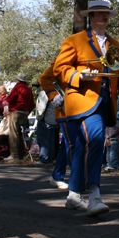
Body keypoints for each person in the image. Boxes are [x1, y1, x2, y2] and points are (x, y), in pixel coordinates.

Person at [54, 0, 119, 216]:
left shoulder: (116, 45)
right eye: (99, 13)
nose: (104, 16)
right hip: (80, 99)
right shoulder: (74, 40)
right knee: (96, 139)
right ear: (90, 17)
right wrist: (78, 76)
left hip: (106, 103)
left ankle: (73, 195)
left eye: (107, 13)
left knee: (82, 147)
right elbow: (60, 68)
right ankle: (95, 195)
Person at [38, 61, 69, 190]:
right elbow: (44, 79)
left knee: (75, 143)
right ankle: (58, 176)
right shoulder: (59, 63)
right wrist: (54, 96)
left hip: (79, 109)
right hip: (64, 111)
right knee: (69, 143)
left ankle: (80, 177)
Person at [3, 73, 35, 161]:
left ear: (18, 80)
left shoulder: (17, 87)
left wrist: (7, 97)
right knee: (21, 134)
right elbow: (32, 104)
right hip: (24, 113)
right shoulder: (28, 89)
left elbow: (10, 99)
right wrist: (27, 112)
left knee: (14, 133)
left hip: (16, 112)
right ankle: (22, 154)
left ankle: (14, 154)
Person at [33, 84, 59, 166]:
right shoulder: (57, 92)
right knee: (51, 141)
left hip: (45, 120)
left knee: (43, 140)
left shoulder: (44, 93)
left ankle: (44, 159)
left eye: (38, 86)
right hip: (53, 120)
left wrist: (39, 117)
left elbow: (41, 108)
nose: (37, 88)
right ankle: (50, 159)